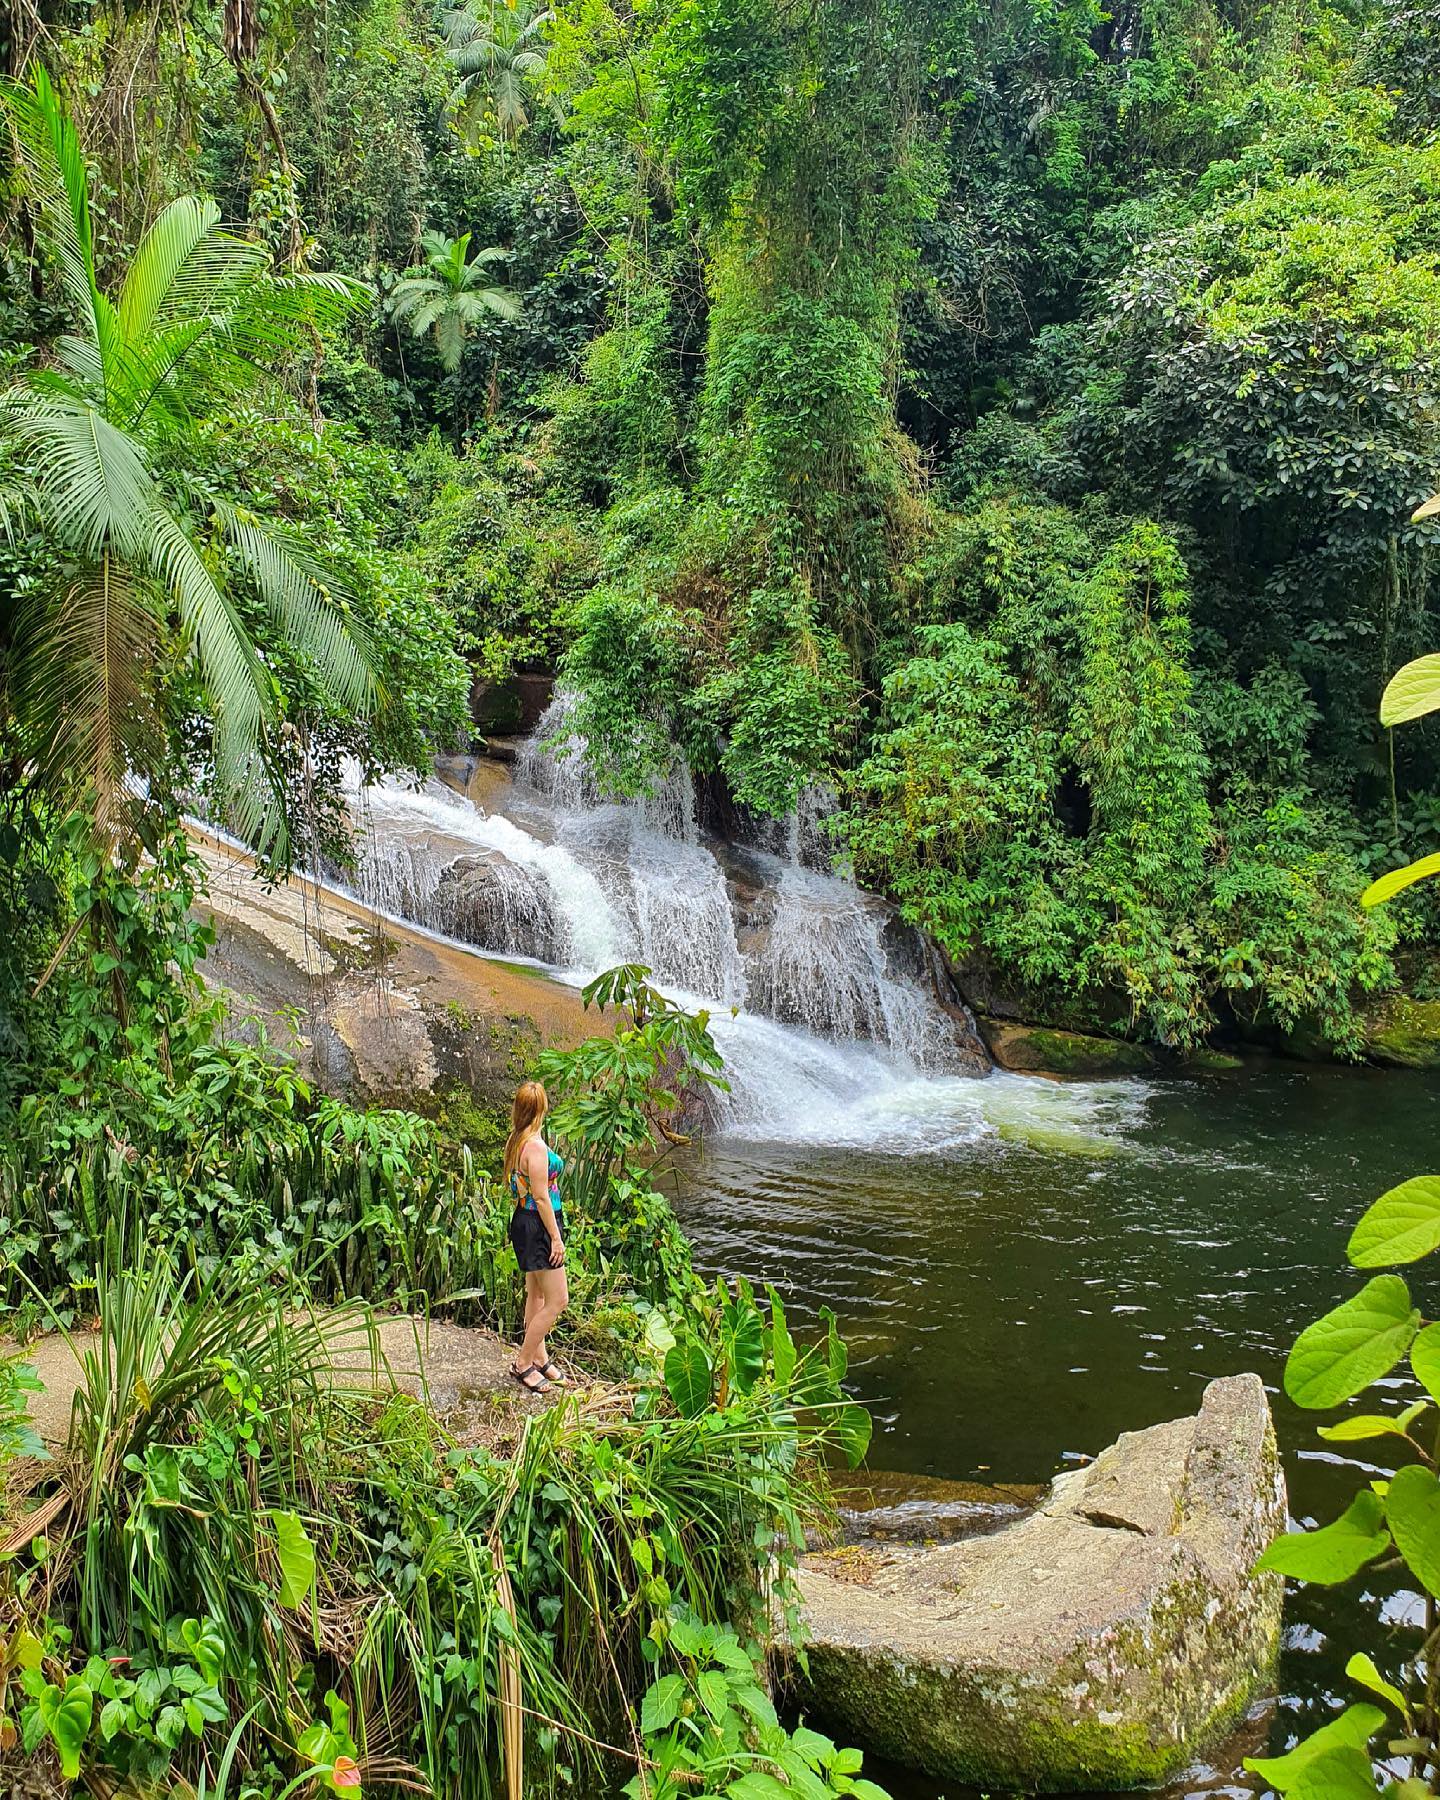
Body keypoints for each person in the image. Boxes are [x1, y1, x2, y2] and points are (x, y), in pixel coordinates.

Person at [504, 1079, 569, 1393]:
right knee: (558, 1300)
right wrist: (556, 1238)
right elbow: (542, 1197)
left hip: (524, 1220)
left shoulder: (518, 1140)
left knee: (537, 1295)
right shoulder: (536, 1147)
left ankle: (539, 1356)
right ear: (541, 1109)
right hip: (540, 1223)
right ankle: (523, 1363)